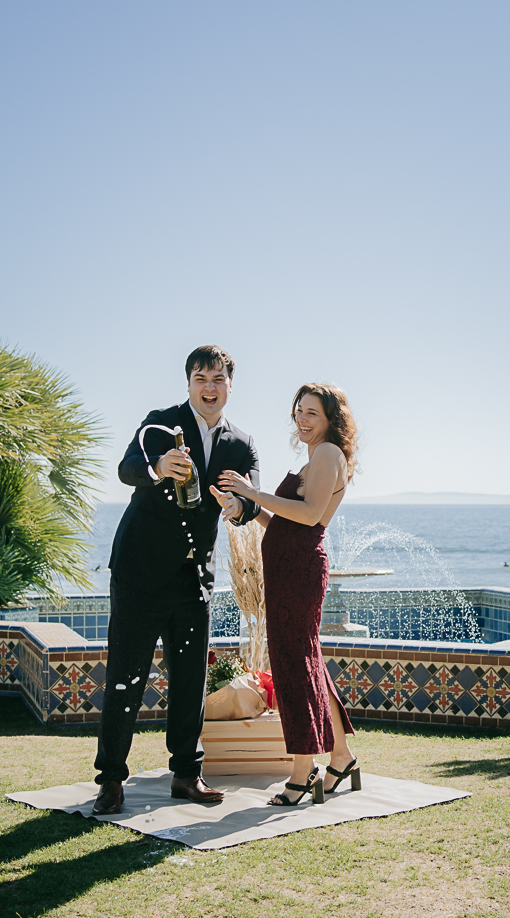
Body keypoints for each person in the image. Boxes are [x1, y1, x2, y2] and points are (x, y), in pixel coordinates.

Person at [92, 345, 261, 814]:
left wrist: (239, 507)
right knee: (126, 679)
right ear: (188, 383)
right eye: (201, 378)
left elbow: (252, 499)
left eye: (219, 379)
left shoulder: (240, 443)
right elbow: (127, 470)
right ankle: (110, 780)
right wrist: (157, 468)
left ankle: (187, 775)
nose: (210, 387)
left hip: (193, 580)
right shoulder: (159, 424)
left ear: (230, 385)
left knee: (190, 680)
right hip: (140, 573)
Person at [215, 383, 360, 806]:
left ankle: (302, 771)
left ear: (332, 419)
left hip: (297, 575)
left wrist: (253, 492)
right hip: (289, 570)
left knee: (294, 669)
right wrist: (244, 508)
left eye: (312, 412)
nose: (302, 418)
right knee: (307, 663)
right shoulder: (317, 456)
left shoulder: (329, 454)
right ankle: (341, 757)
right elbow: (287, 526)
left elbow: (311, 515)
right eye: (300, 410)